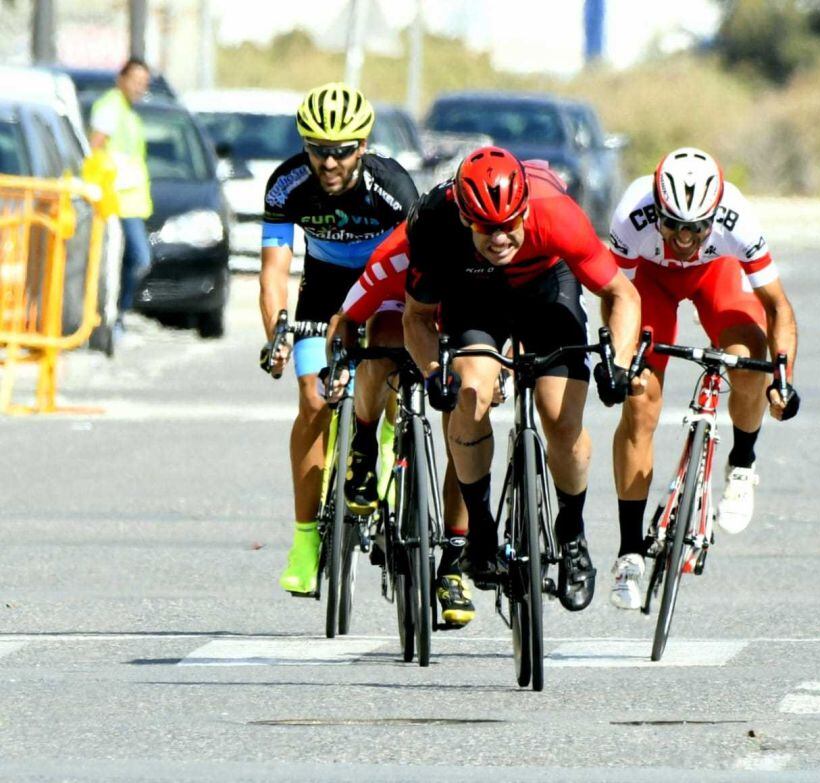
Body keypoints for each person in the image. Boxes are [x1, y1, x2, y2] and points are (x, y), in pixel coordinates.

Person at [401, 146, 642, 613]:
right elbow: (417, 318)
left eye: (510, 224)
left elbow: (621, 293)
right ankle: (482, 528)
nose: (499, 238)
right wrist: (434, 372)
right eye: (486, 228)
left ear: (526, 208)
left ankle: (571, 531)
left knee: (561, 417)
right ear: (465, 217)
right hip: (475, 299)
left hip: (546, 289)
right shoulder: (435, 223)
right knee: (470, 390)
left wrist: (620, 361)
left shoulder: (558, 216)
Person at [606, 147, 800, 610]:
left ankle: (743, 463)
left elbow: (778, 307)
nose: (685, 237)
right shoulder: (632, 214)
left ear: (715, 215)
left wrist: (783, 377)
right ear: (658, 210)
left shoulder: (737, 219)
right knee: (640, 401)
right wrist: (620, 360)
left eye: (697, 227)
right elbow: (616, 296)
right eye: (673, 225)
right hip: (648, 285)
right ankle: (629, 552)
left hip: (716, 278)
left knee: (747, 361)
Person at [258, 83, 418, 596]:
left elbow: (421, 268)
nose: (330, 162)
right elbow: (273, 272)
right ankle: (305, 542)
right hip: (324, 287)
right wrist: (277, 333)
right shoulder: (286, 184)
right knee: (312, 402)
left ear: (363, 146)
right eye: (318, 149)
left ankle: (385, 440)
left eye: (343, 150)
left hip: (386, 284)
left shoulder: (392, 185)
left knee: (388, 369)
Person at [326, 223, 476, 628]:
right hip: (397, 306)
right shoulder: (393, 259)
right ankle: (363, 449)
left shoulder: (483, 259)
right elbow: (345, 321)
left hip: (455, 312)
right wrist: (339, 367)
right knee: (384, 342)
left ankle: (453, 563)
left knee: (468, 420)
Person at [88, 58, 153, 334]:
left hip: (130, 203)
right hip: (115, 202)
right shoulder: (110, 108)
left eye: (144, 84)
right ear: (121, 79)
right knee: (138, 259)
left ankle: (116, 318)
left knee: (129, 261)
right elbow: (95, 149)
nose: (140, 88)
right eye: (136, 81)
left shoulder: (128, 112)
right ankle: (114, 317)